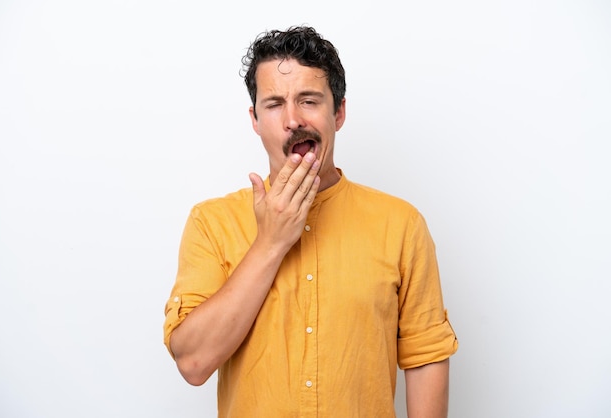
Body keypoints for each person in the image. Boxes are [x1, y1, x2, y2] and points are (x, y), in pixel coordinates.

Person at [163, 25, 458, 418]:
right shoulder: (211, 223)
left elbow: (426, 358)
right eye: (273, 104)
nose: (292, 119)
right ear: (254, 119)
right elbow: (193, 363)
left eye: (309, 100)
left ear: (339, 112)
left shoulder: (401, 225)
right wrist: (270, 242)